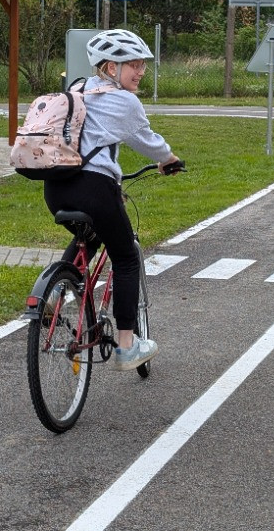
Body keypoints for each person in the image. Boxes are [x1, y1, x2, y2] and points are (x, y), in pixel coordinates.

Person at [43, 28, 181, 371]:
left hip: (56, 186)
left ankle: (54, 294)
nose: (139, 71)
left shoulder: (75, 89)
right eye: (132, 64)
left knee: (88, 236)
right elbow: (149, 143)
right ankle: (126, 345)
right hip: (95, 188)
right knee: (126, 255)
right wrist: (169, 160)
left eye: (142, 65)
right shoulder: (124, 101)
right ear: (109, 67)